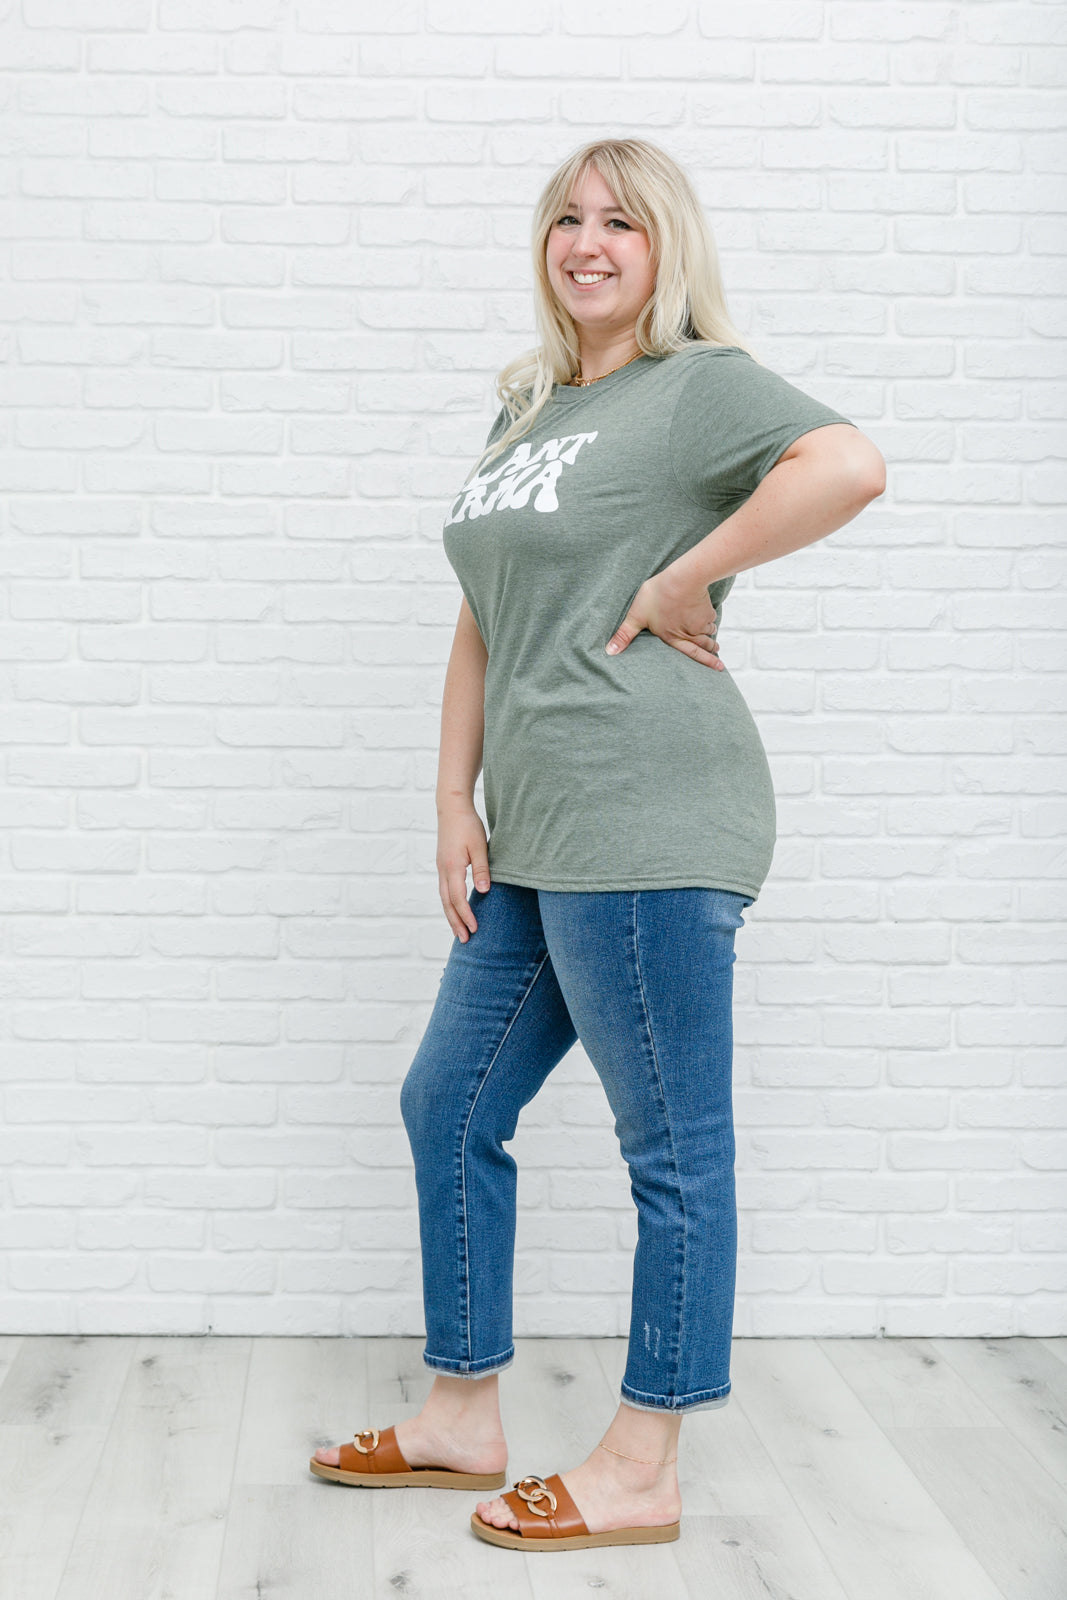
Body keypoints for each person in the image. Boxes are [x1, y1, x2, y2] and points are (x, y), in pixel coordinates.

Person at [309, 137, 885, 1553]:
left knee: (672, 1152)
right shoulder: (530, 408)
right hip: (540, 827)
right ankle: (462, 1414)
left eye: (621, 222)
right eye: (567, 218)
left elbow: (850, 464)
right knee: (448, 1103)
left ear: (664, 246)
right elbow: (484, 611)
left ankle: (642, 1463)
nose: (588, 242)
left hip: (652, 813)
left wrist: (692, 571)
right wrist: (453, 798)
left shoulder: (698, 387)